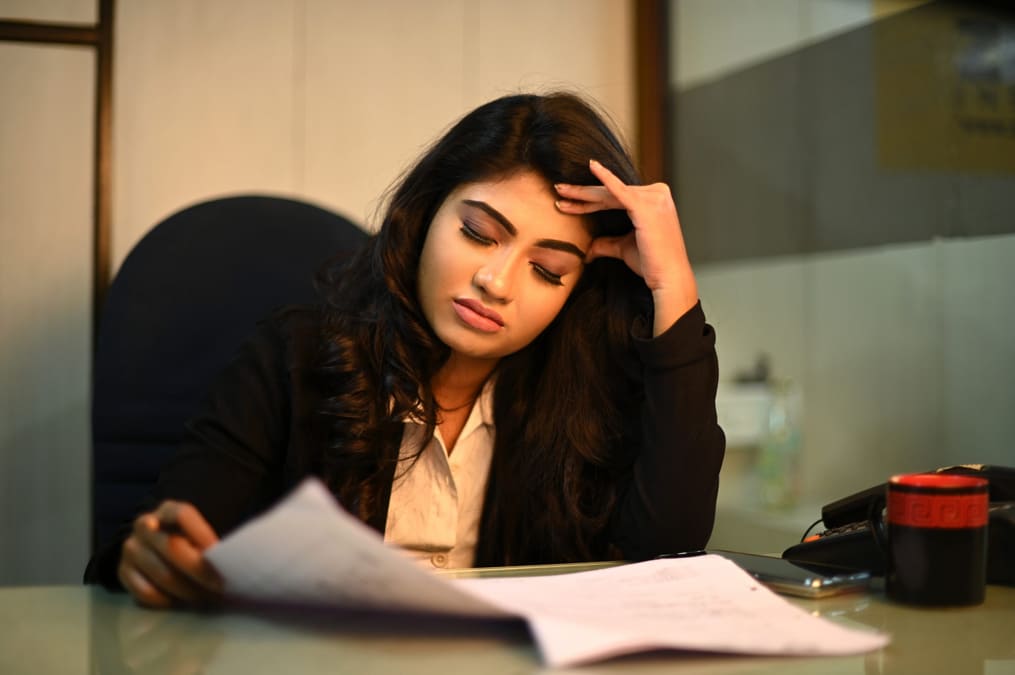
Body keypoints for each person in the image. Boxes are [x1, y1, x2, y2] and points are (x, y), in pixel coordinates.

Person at [85, 92, 725, 608]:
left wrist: (674, 288)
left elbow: (663, 566)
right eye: (478, 234)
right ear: (424, 216)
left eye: (548, 270)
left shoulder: (586, 396)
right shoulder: (296, 357)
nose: (495, 283)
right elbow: (157, 544)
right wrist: (145, 557)